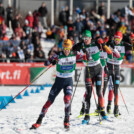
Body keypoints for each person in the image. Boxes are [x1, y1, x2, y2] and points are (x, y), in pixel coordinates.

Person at [30, 39, 82, 129]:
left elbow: (87, 57)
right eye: (64, 48)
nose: (66, 50)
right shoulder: (58, 55)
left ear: (70, 48)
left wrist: (83, 49)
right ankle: (39, 121)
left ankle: (66, 121)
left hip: (68, 81)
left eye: (68, 48)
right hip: (59, 81)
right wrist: (52, 61)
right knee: (49, 101)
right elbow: (46, 62)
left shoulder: (75, 54)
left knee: (67, 100)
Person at [72, 30, 113, 124]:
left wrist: (103, 44)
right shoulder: (80, 45)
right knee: (88, 93)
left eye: (87, 38)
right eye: (84, 38)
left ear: (91, 38)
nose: (85, 40)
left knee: (99, 92)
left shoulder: (96, 43)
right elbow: (72, 52)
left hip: (98, 69)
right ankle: (86, 116)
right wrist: (81, 56)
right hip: (88, 71)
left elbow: (110, 52)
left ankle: (102, 112)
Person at [105, 31, 132, 117]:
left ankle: (116, 108)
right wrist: (106, 42)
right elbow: (103, 46)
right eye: (115, 39)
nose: (116, 41)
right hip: (109, 66)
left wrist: (133, 39)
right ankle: (107, 105)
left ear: (121, 39)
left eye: (118, 39)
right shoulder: (110, 43)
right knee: (108, 87)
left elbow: (132, 47)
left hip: (117, 68)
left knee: (116, 88)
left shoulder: (124, 45)